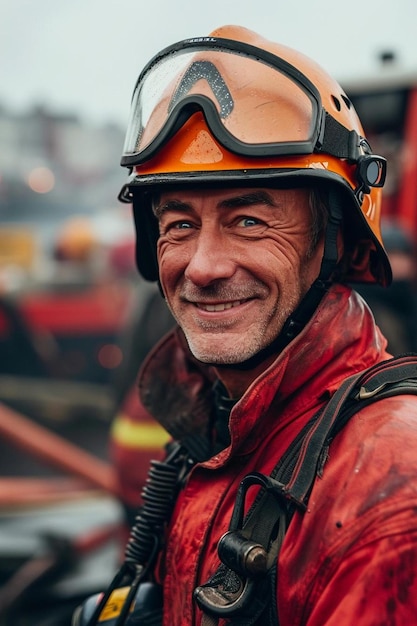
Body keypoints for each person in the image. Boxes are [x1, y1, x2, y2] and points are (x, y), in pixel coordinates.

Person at [115, 25, 417, 625]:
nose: (202, 267)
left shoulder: (388, 494)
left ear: (334, 242)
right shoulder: (218, 425)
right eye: (178, 224)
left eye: (249, 220)